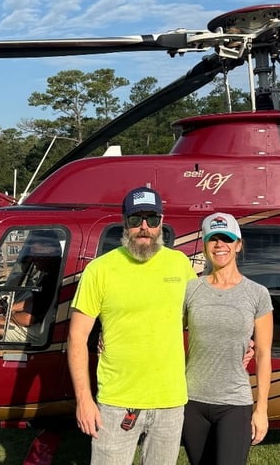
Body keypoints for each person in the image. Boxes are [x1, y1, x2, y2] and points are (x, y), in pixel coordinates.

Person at [68, 186, 198, 464]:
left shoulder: (180, 265)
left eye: (152, 219)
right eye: (135, 219)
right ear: (124, 222)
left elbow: (200, 319)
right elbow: (77, 338)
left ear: (161, 222)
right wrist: (84, 400)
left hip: (170, 401)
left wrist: (241, 343)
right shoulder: (99, 269)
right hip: (116, 402)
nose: (144, 228)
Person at [182, 212, 274, 465]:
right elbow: (168, 334)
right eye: (213, 239)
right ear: (205, 245)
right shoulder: (191, 289)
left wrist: (262, 410)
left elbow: (265, 354)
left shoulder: (257, 294)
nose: (219, 245)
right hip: (192, 401)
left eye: (226, 238)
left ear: (238, 244)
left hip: (234, 402)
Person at [0, 230, 62, 343]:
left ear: (54, 252)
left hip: (43, 332)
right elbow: (35, 300)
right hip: (45, 324)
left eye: (38, 256)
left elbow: (28, 319)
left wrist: (4, 317)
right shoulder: (51, 273)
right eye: (32, 256)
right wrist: (9, 308)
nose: (33, 261)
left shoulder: (54, 278)